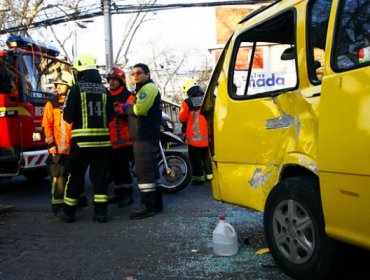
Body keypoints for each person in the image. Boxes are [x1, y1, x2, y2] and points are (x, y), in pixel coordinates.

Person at [61, 54, 114, 223]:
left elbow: (68, 117)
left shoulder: (76, 89)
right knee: (100, 178)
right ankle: (101, 214)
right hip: (103, 143)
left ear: (81, 71)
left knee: (75, 176)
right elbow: (111, 116)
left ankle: (69, 213)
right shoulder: (105, 90)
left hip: (81, 143)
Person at [122, 63, 162, 219]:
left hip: (144, 137)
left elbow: (140, 110)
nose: (135, 75)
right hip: (146, 137)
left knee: (143, 172)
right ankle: (157, 204)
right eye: (133, 74)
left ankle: (147, 207)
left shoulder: (148, 89)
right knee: (151, 172)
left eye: (139, 72)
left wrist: (126, 107)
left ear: (148, 74)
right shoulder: (144, 89)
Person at [42, 71, 74, 215]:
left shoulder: (74, 102)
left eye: (61, 84)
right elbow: (46, 125)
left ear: (69, 85)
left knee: (73, 176)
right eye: (56, 84)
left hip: (73, 148)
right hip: (58, 150)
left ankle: (75, 203)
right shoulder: (52, 103)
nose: (57, 87)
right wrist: (50, 145)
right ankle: (58, 206)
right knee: (58, 177)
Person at [106, 66, 135, 207]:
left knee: (124, 168)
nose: (111, 82)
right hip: (110, 141)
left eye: (114, 79)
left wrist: (116, 108)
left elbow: (130, 110)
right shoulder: (105, 96)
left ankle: (127, 194)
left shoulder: (128, 96)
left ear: (121, 81)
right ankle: (118, 194)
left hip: (125, 141)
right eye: (110, 79)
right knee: (114, 169)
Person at [178, 79, 212, 184]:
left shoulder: (187, 102)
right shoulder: (207, 99)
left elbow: (182, 118)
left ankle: (198, 177)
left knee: (195, 158)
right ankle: (210, 175)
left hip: (194, 137)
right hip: (208, 136)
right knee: (207, 156)